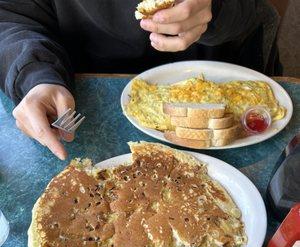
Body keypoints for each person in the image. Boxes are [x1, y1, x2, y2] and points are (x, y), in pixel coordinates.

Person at [0, 0, 281, 160]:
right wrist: (35, 74)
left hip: (221, 79)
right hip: (84, 96)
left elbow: (256, 9)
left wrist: (216, 8)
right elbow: (11, 15)